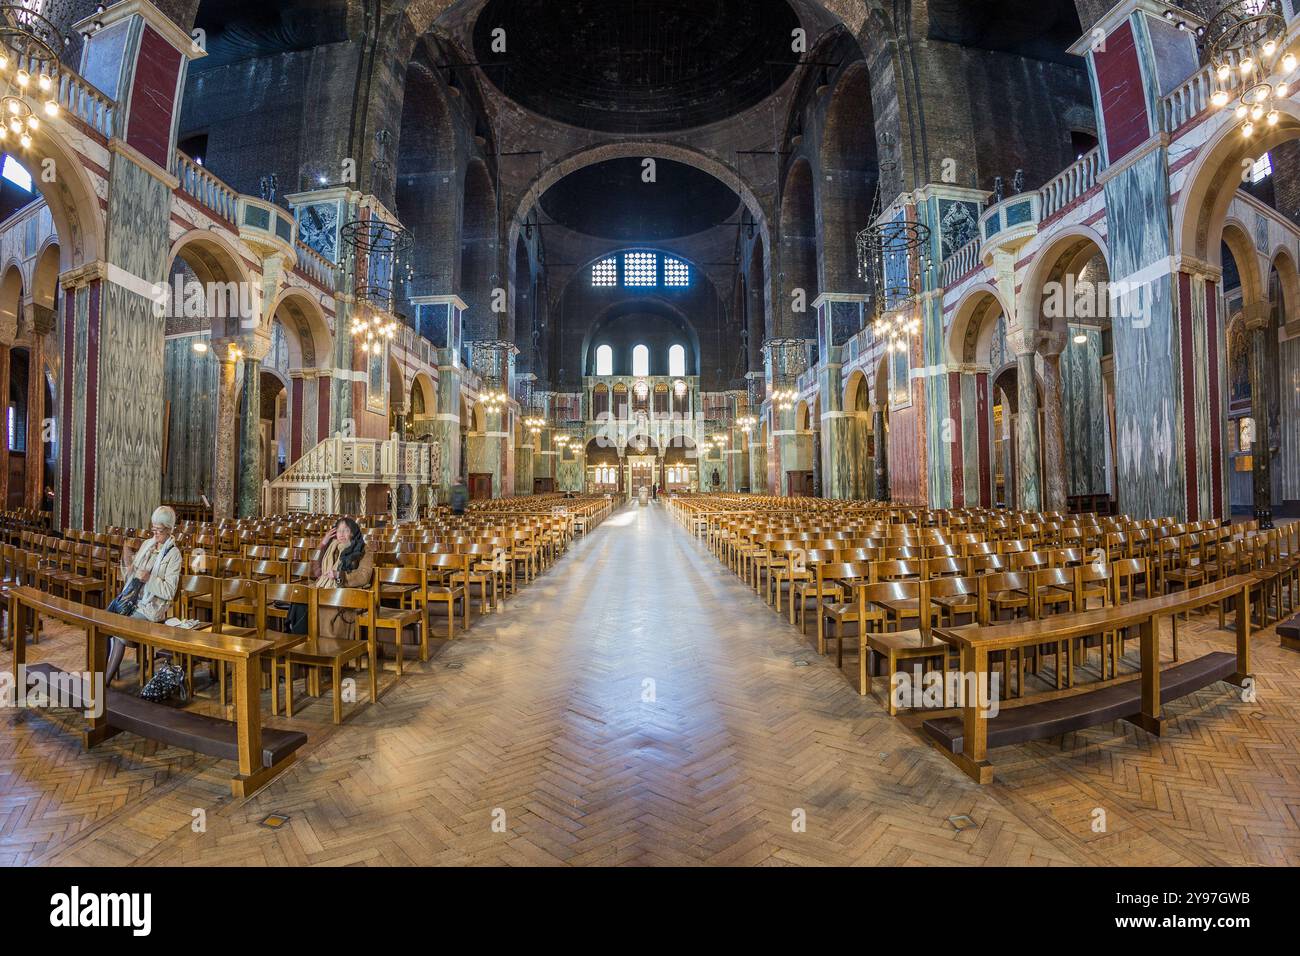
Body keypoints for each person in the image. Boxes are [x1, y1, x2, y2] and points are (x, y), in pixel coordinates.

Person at [106, 506, 183, 682]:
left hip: (150, 608)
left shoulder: (174, 555)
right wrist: (127, 561)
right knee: (103, 622)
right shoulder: (148, 544)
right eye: (153, 529)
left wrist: (149, 578)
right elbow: (131, 576)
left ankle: (105, 683)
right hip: (131, 599)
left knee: (119, 630)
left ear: (170, 529)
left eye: (159, 530)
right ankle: (99, 673)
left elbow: (169, 591)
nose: (155, 534)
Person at [287, 516, 373, 638]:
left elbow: (364, 576)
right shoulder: (330, 548)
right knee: (300, 598)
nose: (342, 534)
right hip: (323, 587)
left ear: (353, 533)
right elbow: (315, 572)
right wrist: (323, 543)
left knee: (323, 607)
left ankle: (320, 644)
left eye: (346, 530)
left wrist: (340, 575)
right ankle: (299, 640)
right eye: (338, 531)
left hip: (344, 591)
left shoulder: (362, 549)